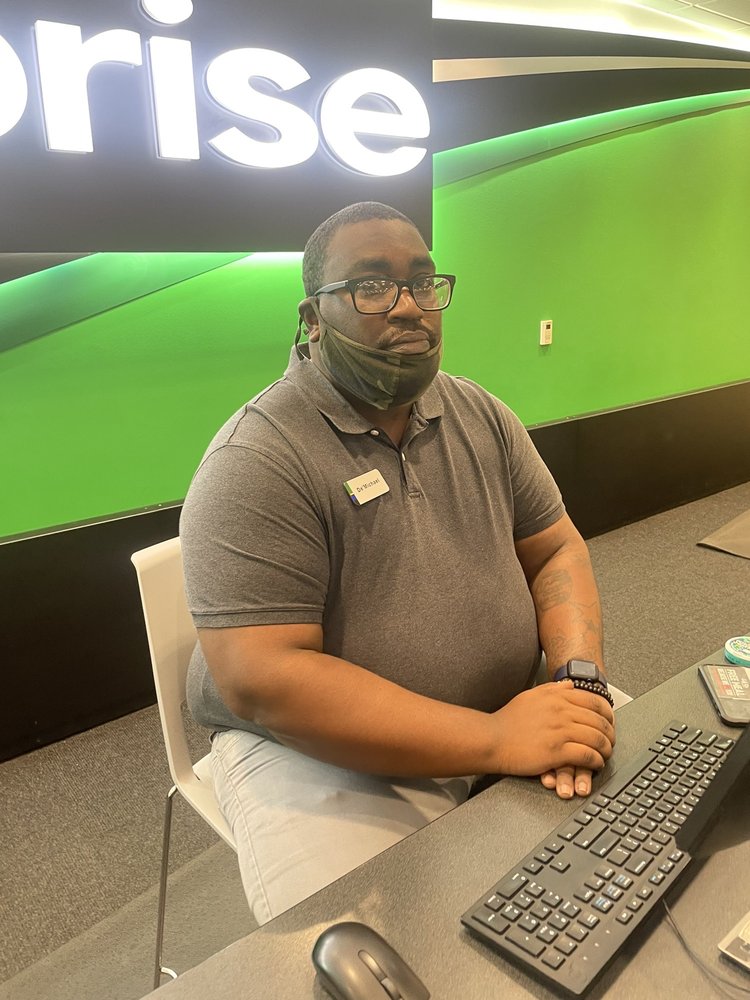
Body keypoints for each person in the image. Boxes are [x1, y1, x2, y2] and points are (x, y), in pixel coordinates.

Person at [180, 201, 615, 925]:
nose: (409, 305)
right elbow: (266, 680)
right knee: (387, 948)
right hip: (318, 750)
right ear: (312, 319)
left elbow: (555, 549)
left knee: (631, 857)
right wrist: (496, 741)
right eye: (371, 286)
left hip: (510, 710)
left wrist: (577, 680)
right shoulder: (255, 459)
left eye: (422, 281)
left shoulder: (480, 413)